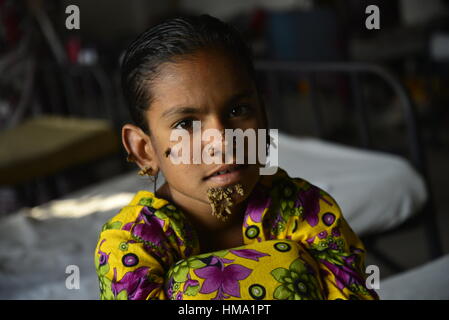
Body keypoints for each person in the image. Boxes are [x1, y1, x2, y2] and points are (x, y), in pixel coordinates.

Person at [94, 14, 379, 300]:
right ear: (144, 150)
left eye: (238, 111)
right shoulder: (131, 246)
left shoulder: (307, 210)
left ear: (264, 118)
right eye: (186, 124)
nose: (222, 141)